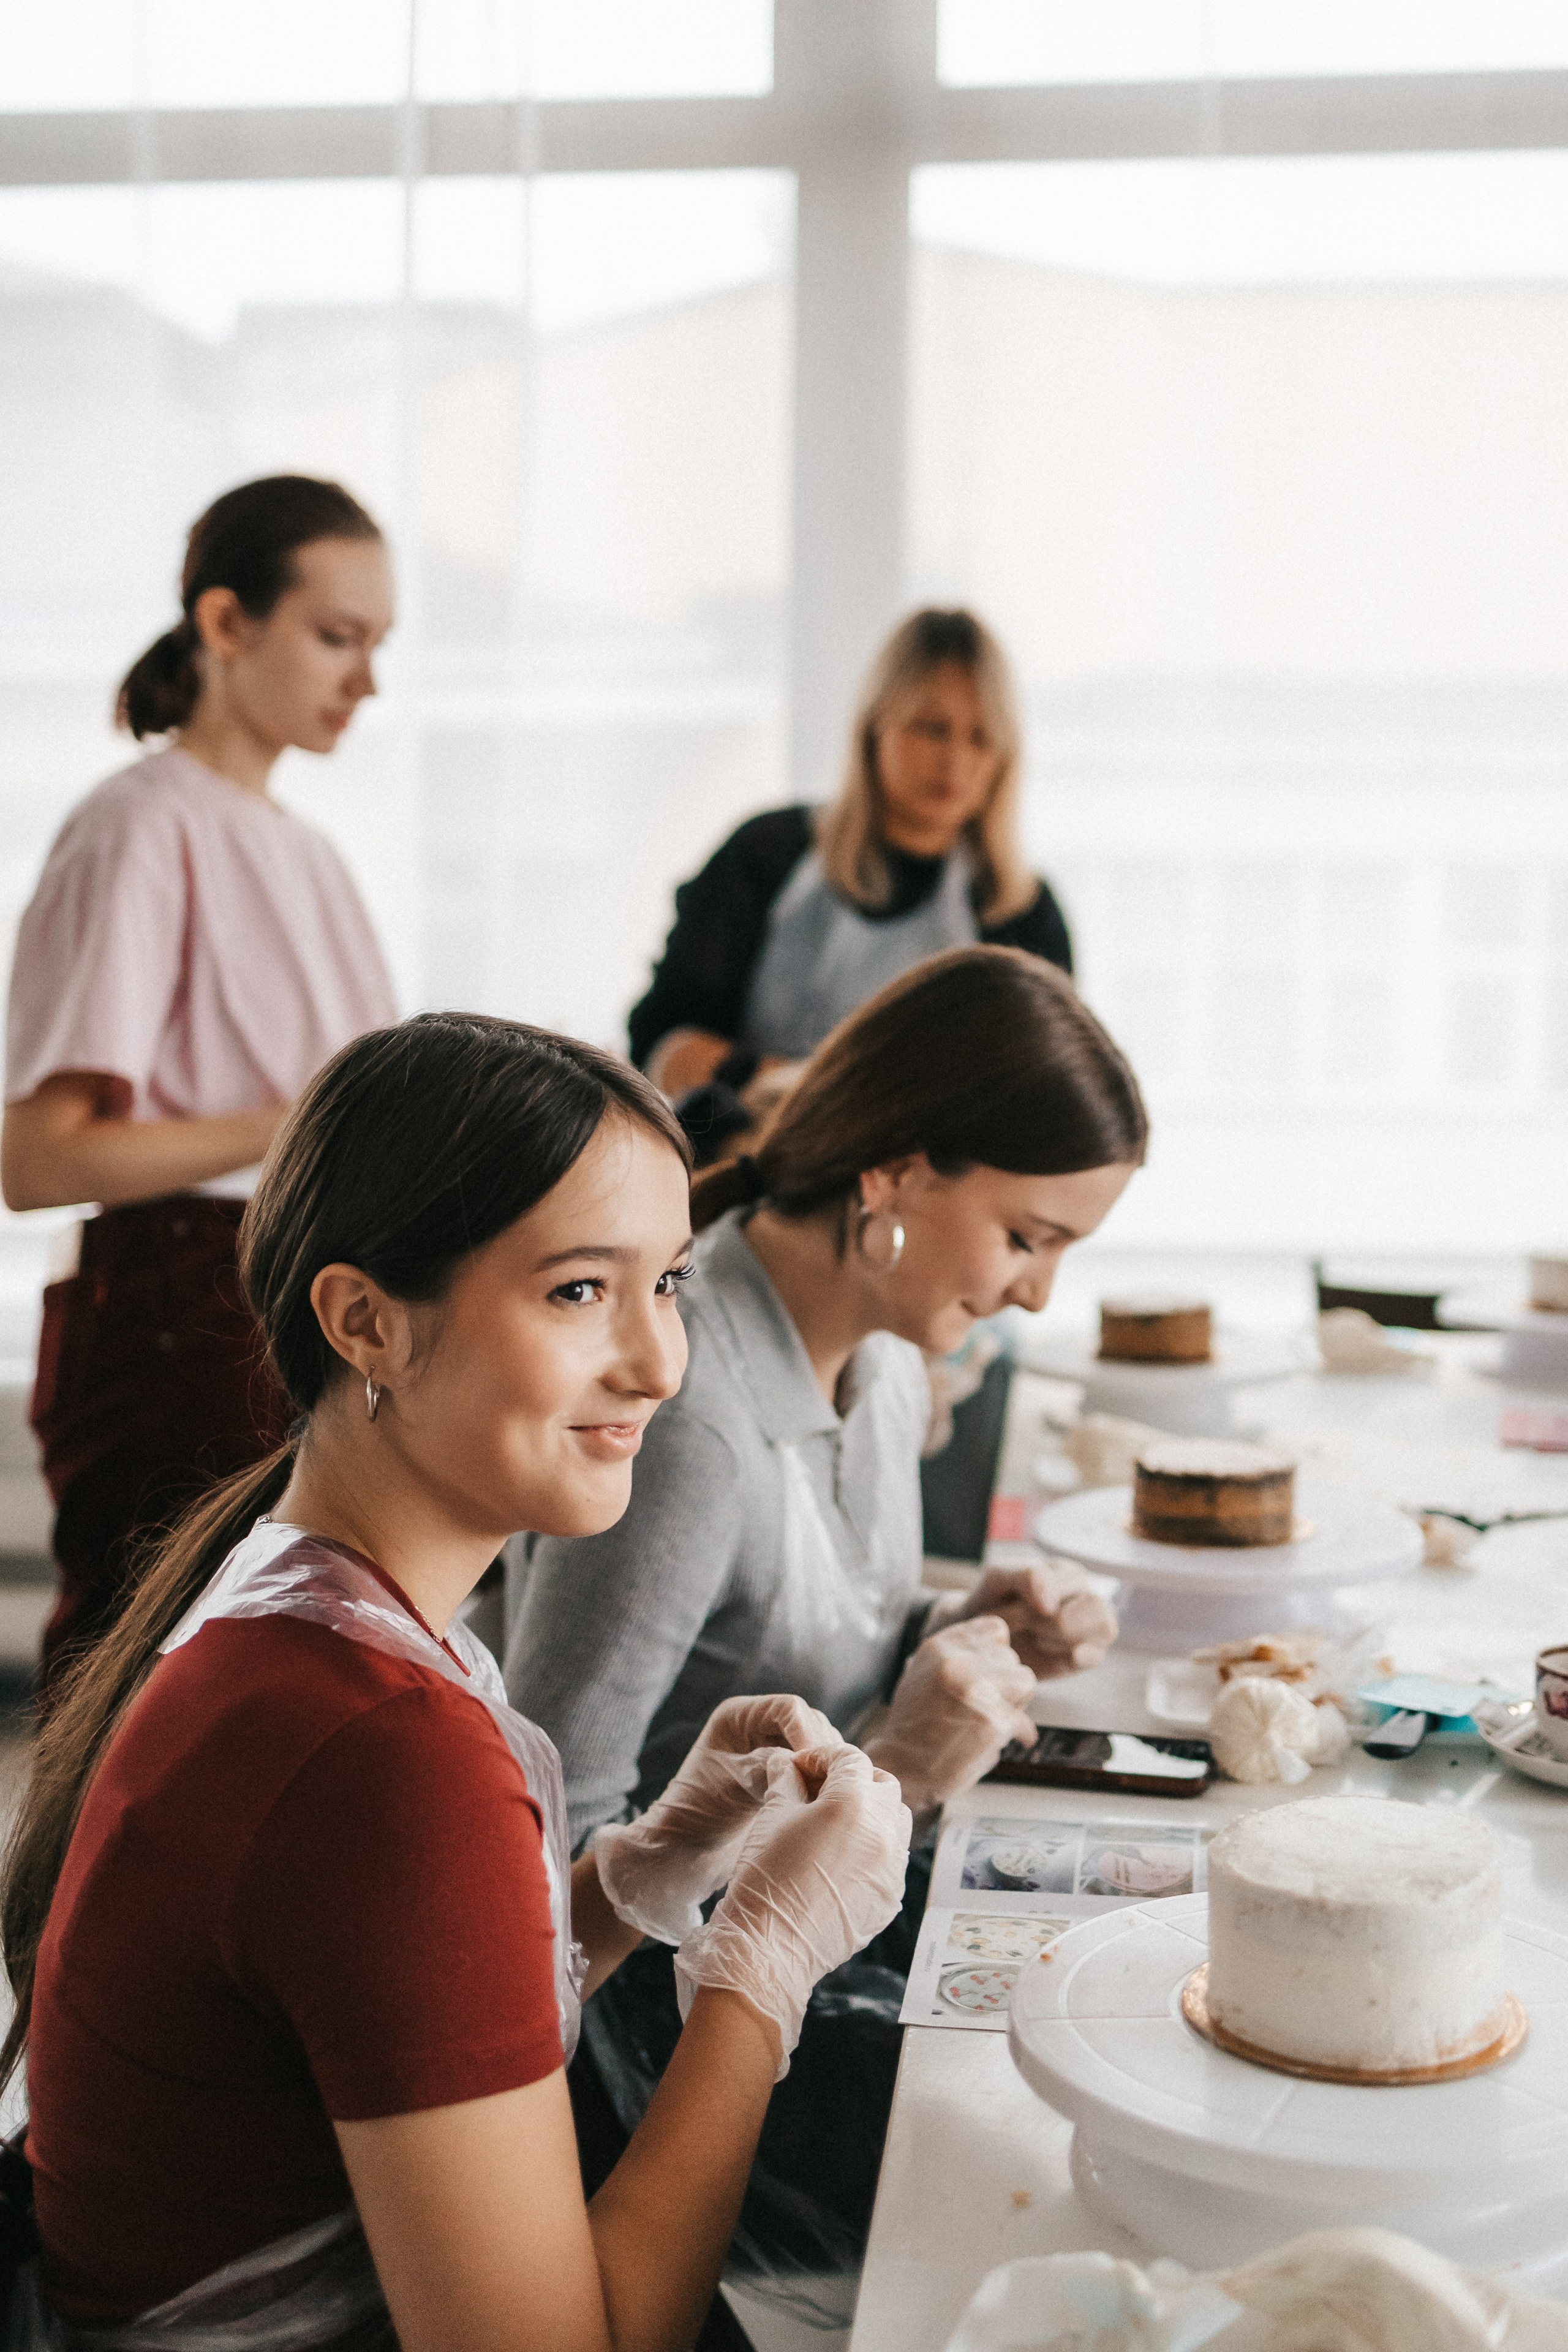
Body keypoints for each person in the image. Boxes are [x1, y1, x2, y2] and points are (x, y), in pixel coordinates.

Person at [3, 1012, 911, 2351]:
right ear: (365, 1323)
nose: (660, 1365)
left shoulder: (306, 1603)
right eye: (577, 1292)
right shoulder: (378, 1747)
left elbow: (397, 2031)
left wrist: (639, 1875)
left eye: (667, 1284)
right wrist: (755, 1977)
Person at [505, 945, 1145, 2297]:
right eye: (1027, 1239)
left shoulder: (887, 1358)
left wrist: (960, 1619)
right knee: (1078, 2149)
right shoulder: (690, 1431)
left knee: (1126, 2002)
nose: (1036, 1294)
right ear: (897, 1176)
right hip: (655, 2035)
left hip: (806, 1926)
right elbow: (537, 1868)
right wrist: (901, 1769)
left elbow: (784, 1629)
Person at [2, 475, 399, 1701]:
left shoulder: (313, 855)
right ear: (227, 624)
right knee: (139, 1713)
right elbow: (39, 1159)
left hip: (297, 1315)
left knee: (254, 1715)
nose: (365, 683)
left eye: (378, 648)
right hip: (179, 1313)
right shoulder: (136, 829)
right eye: (336, 638)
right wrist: (294, 1125)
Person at [628, 607, 1072, 1147]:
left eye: (981, 738)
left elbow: (1043, 1100)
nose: (956, 760)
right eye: (933, 729)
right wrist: (813, 1097)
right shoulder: (766, 855)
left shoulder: (1021, 912)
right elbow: (663, 1043)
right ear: (875, 726)